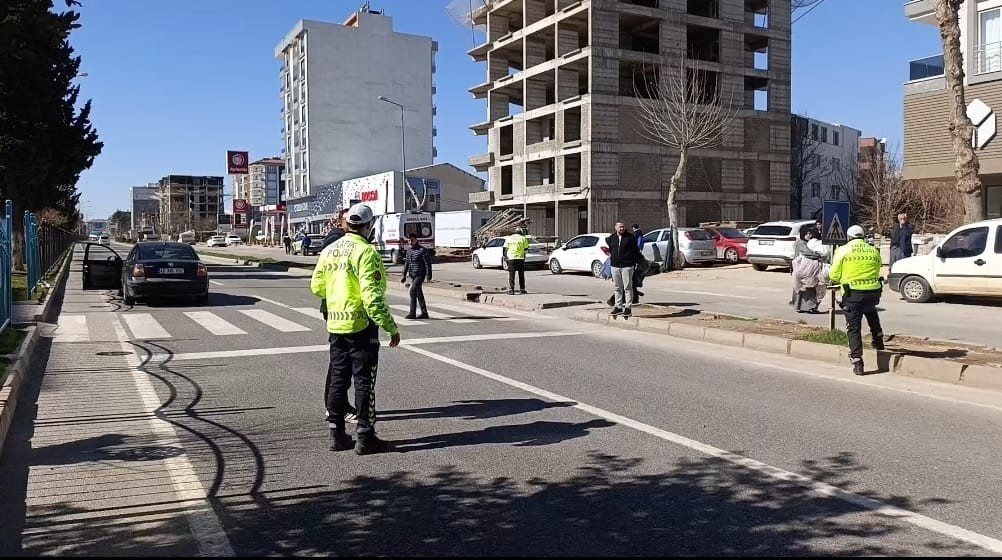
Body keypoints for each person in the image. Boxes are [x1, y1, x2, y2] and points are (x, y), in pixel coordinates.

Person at [311, 203, 400, 455]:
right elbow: (372, 297)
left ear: (346, 224)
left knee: (339, 379)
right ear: (368, 226)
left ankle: (337, 434)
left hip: (336, 323)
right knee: (364, 382)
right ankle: (365, 436)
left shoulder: (330, 251)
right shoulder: (367, 252)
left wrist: (338, 292)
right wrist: (390, 327)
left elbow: (317, 287)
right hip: (361, 326)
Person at [829, 224, 885, 376]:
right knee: (871, 312)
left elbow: (833, 275)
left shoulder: (843, 250)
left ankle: (857, 361)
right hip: (873, 291)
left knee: (853, 327)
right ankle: (878, 341)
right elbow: (878, 267)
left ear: (849, 237)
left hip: (853, 293)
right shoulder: (873, 250)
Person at [606, 221, 640, 318]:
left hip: (627, 266)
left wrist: (634, 263)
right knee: (617, 287)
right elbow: (611, 250)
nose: (622, 229)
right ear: (615, 228)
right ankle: (618, 306)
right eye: (620, 227)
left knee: (627, 287)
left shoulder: (630, 237)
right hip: (615, 266)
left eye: (623, 227)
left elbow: (635, 251)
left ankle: (628, 308)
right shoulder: (612, 238)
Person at [790, 228, 826, 313]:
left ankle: (804, 307)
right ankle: (809, 307)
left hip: (807, 269)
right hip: (803, 268)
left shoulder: (808, 243)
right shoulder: (801, 243)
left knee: (807, 288)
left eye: (810, 234)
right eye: (807, 234)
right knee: (807, 288)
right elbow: (807, 253)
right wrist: (819, 255)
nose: (809, 236)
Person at [401, 233, 432, 319]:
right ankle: (424, 313)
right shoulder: (409, 251)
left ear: (416, 240)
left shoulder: (422, 250)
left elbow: (427, 264)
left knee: (412, 291)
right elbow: (406, 263)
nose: (410, 242)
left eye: (412, 240)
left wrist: (429, 275)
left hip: (420, 275)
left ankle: (412, 313)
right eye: (409, 240)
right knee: (419, 293)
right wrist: (403, 275)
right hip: (413, 275)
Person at [503, 227, 530, 295]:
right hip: (520, 258)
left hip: (511, 258)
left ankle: (511, 290)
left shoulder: (509, 238)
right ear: (521, 232)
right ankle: (522, 289)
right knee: (521, 275)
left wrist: (505, 257)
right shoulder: (523, 238)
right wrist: (524, 256)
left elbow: (505, 249)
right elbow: (526, 249)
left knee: (511, 275)